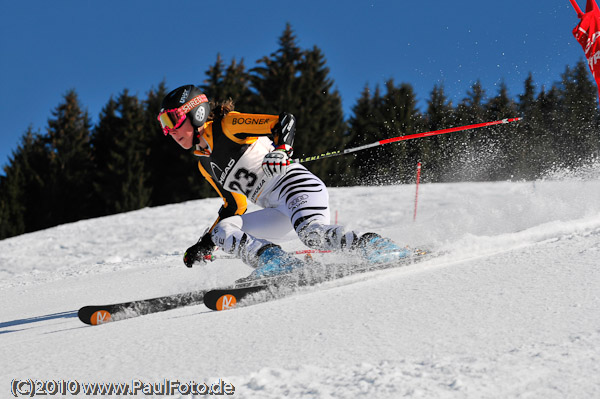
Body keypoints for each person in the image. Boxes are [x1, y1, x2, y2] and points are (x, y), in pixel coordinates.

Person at [157, 85, 410, 279]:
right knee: (223, 230)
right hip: (276, 211)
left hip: (295, 186)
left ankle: (376, 245)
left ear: (195, 113)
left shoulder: (228, 125)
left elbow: (283, 121)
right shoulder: (205, 165)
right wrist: (205, 244)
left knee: (312, 234)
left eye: (172, 121)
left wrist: (281, 149)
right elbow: (234, 207)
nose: (169, 132)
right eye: (164, 125)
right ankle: (278, 263)